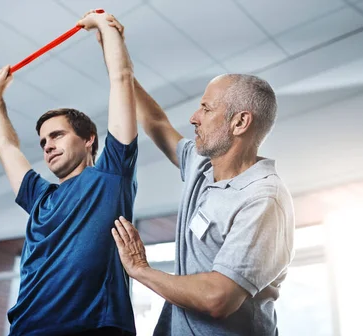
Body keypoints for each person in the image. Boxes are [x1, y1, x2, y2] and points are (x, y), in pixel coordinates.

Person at [102, 16, 295, 336]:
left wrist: (140, 270)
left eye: (206, 109)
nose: (194, 118)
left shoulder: (263, 200)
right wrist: (117, 58)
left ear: (240, 122)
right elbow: (158, 124)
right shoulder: (203, 167)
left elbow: (218, 297)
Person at [0, 11, 138, 336]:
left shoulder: (112, 176)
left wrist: (103, 26)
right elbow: (6, 146)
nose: (47, 146)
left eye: (57, 135)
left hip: (92, 327)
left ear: (88, 140)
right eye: (43, 141)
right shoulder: (39, 197)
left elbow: (121, 79)